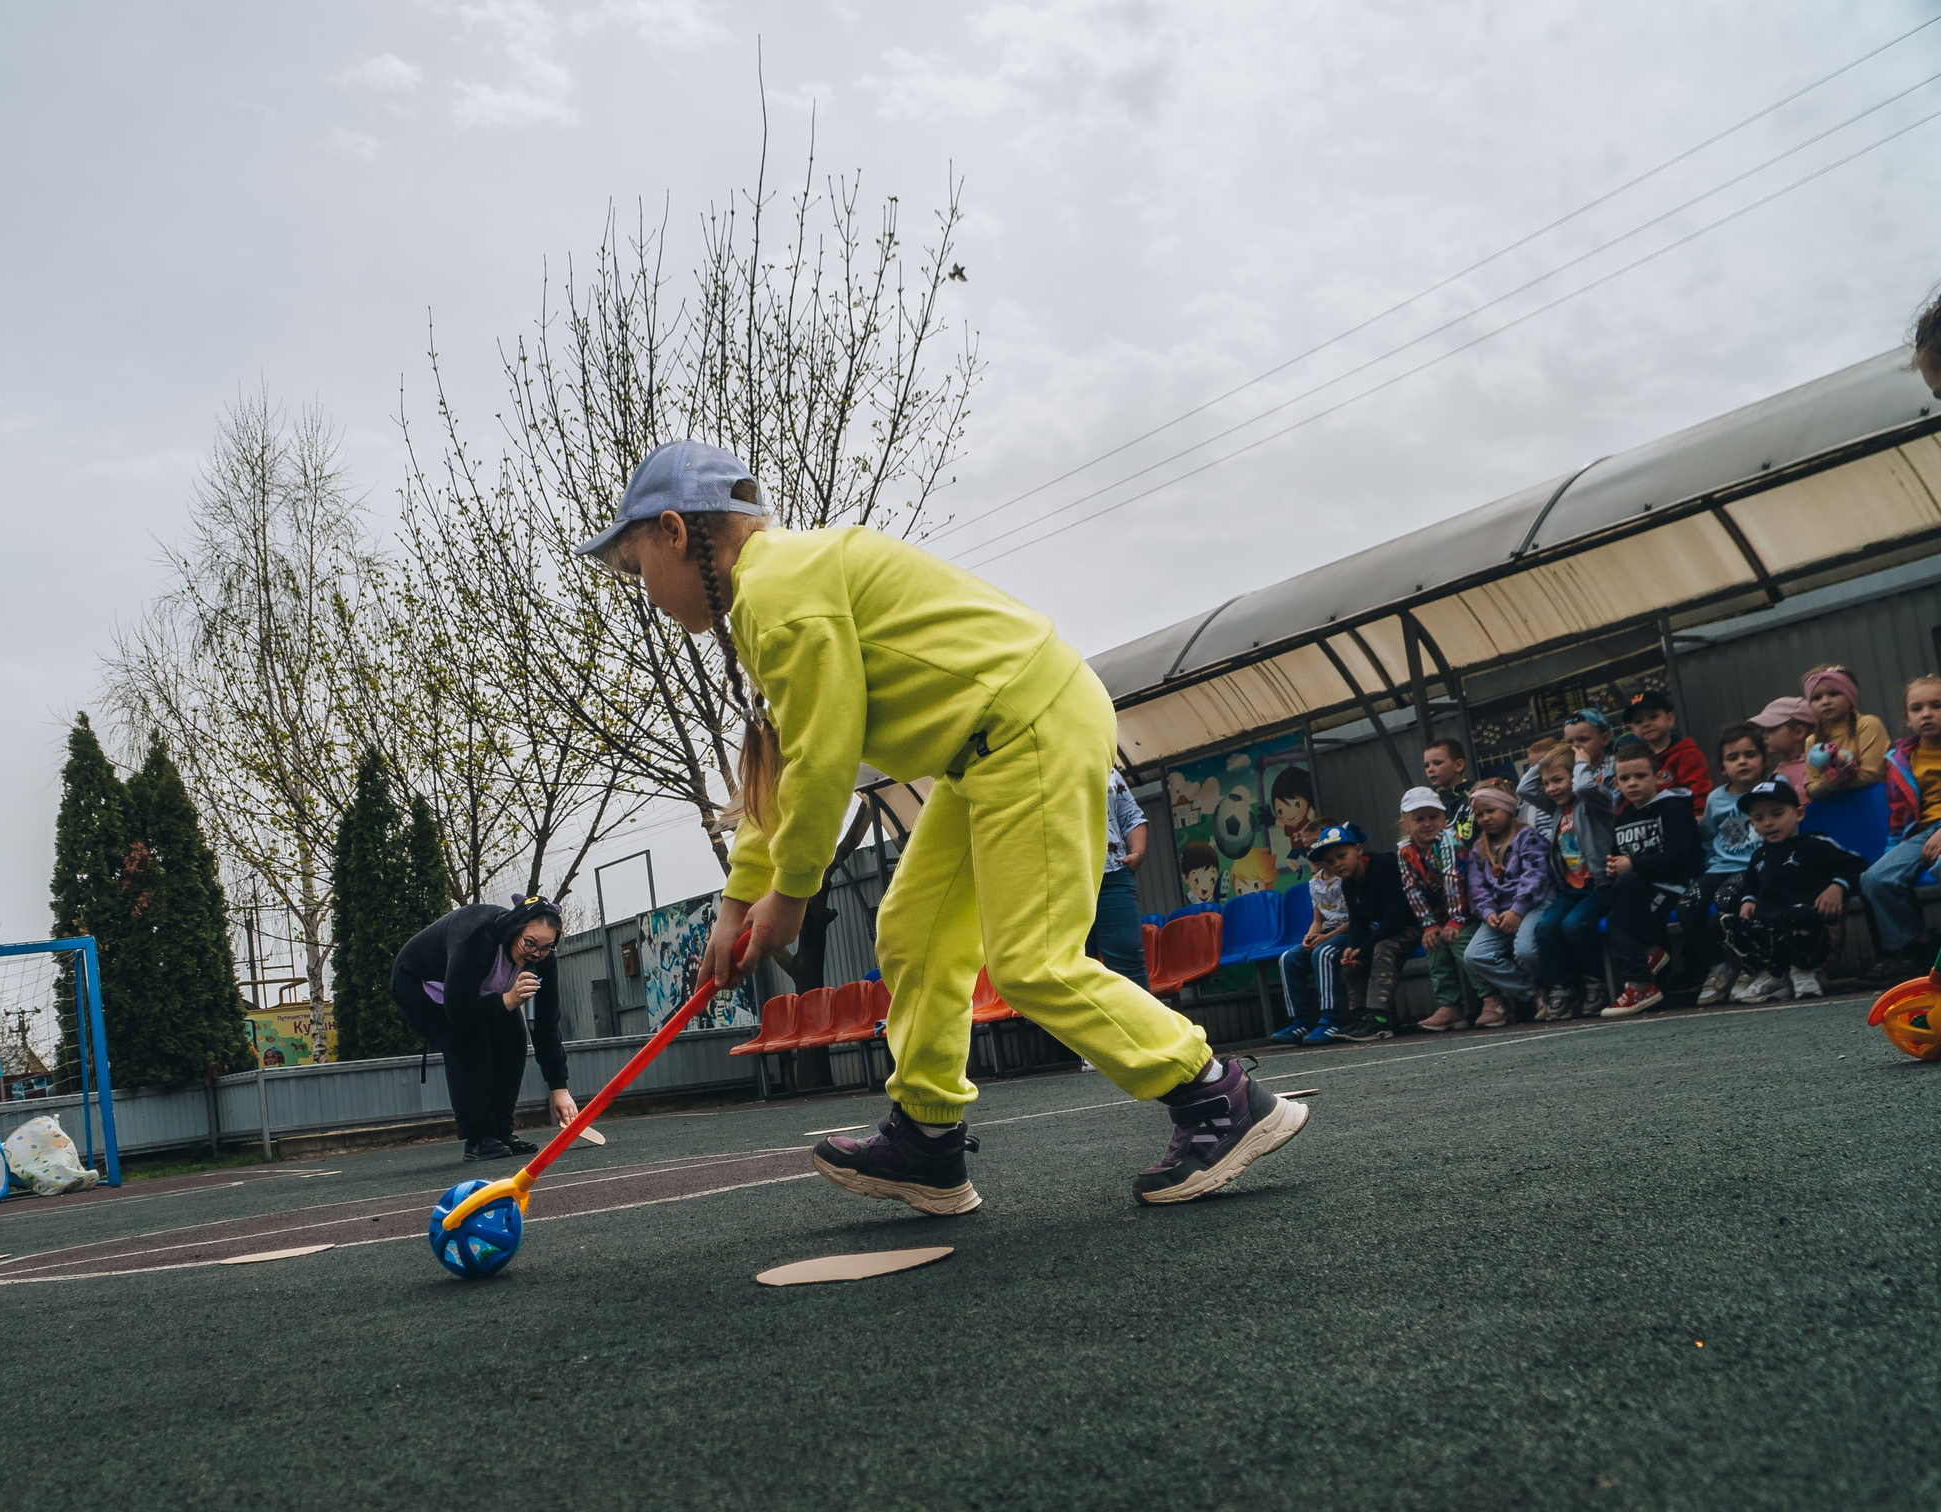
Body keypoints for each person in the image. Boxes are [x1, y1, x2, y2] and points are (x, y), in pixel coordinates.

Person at [580, 440, 1309, 1212]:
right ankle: (927, 1141)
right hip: (987, 748)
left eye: (635, 570)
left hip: (1027, 723)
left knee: (1033, 961)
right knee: (915, 930)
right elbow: (791, 764)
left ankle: (1216, 1097)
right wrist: (736, 902)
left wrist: (788, 895)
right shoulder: (777, 587)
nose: (645, 592)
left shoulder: (776, 592)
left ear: (673, 532)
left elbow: (824, 759)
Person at [390, 896, 579, 1163]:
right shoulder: (478, 939)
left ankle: (501, 1134)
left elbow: (547, 1025)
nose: (535, 953)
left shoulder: (544, 960)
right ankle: (478, 1138)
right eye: (530, 943)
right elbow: (459, 1012)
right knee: (468, 1039)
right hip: (421, 986)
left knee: (514, 1037)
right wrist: (508, 1000)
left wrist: (559, 1089)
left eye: (547, 947)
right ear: (515, 928)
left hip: (479, 994)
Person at [1720, 776, 1868, 1003]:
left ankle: (1803, 973)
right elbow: (1751, 883)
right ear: (1751, 823)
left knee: (1800, 914)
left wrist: (1837, 886)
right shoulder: (1759, 855)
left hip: (1808, 933)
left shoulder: (1815, 844)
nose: (1768, 823)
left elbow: (1857, 864)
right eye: (1759, 818)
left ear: (1799, 814)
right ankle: (1774, 975)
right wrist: (1748, 900)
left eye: (1776, 814)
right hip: (1771, 931)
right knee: (1726, 922)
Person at [1597, 739, 1700, 1017]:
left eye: (1640, 776)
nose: (1632, 783)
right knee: (1618, 907)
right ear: (1616, 783)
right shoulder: (1623, 817)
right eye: (1625, 778)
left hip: (1672, 886)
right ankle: (1647, 964)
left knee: (1621, 915)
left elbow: (1679, 858)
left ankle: (1642, 982)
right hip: (1639, 888)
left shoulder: (1674, 808)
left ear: (1657, 777)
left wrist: (1632, 864)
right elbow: (1620, 856)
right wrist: (1614, 866)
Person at [1519, 743, 1616, 1020]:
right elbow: (1524, 789)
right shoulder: (1558, 808)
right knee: (1546, 928)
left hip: (1599, 887)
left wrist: (1581, 759)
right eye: (1547, 783)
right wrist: (1549, 761)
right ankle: (1562, 986)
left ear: (1576, 776)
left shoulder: (1597, 802)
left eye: (1558, 780)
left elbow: (1585, 788)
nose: (1550, 789)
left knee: (1575, 925)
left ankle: (1596, 980)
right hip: (1571, 889)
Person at [1860, 673, 1941, 973]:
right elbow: (1899, 814)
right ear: (1907, 718)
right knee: (1875, 879)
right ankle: (1920, 943)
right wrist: (1894, 851)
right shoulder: (1900, 759)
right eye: (1917, 708)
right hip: (1921, 833)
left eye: (1937, 705)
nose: (1927, 714)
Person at [1458, 783, 1552, 1026]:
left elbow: (1537, 876)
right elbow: (1477, 888)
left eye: (1491, 811)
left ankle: (1557, 986)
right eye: (1479, 814)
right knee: (1475, 955)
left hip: (1534, 905)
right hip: (1500, 913)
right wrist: (1488, 913)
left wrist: (1517, 910)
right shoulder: (1479, 849)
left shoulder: (1528, 837)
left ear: (1508, 808)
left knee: (1526, 950)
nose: (1485, 818)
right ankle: (1532, 993)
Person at [1691, 722, 1770, 1005]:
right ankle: (1719, 968)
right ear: (1722, 767)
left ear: (1763, 759)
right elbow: (1709, 836)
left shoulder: (1774, 788)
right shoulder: (1716, 798)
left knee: (1727, 902)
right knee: (1688, 905)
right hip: (1721, 867)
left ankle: (1750, 966)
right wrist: (1712, 863)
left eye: (1750, 754)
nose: (1742, 762)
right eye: (1733, 758)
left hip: (1754, 867)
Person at [1321, 825, 1416, 1040]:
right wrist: (1353, 949)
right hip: (1389, 927)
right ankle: (1360, 1017)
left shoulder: (1384, 868)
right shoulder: (1348, 883)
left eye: (1341, 856)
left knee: (1382, 948)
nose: (1336, 863)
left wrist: (1363, 950)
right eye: (1330, 861)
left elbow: (1396, 918)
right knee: (1350, 958)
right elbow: (1358, 923)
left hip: (1414, 923)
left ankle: (1379, 1020)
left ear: (1359, 850)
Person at [1269, 823, 1357, 1046]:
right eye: (1308, 848)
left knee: (1323, 952)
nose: (1312, 853)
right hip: (1328, 932)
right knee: (1288, 957)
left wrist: (1324, 939)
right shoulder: (1315, 882)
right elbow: (1318, 920)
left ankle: (1330, 1019)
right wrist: (1309, 937)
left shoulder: (1347, 875)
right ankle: (1300, 1021)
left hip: (1350, 931)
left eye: (1317, 845)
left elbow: (1357, 918)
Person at [1396, 785, 1474, 1032]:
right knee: (1434, 945)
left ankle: (1494, 999)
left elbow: (1454, 879)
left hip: (1470, 910)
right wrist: (1429, 925)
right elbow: (1412, 889)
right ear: (1406, 824)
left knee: (1462, 944)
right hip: (1442, 917)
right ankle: (1450, 1006)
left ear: (1443, 819)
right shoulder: (1404, 850)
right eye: (1419, 819)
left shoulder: (1449, 840)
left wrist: (1456, 919)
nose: (1428, 823)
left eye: (1434, 817)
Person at [1089, 767, 1151, 988]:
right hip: (1061, 884)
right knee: (1074, 969)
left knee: (1128, 966)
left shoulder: (1107, 766)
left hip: (1113, 875)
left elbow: (1131, 814)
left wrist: (1137, 852)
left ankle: (1142, 1024)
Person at [1801, 666, 1888, 799]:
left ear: (1850, 696)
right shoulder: (1811, 741)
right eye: (1817, 698)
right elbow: (1811, 788)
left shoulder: (1868, 724)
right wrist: (1830, 783)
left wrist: (1831, 784)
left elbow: (1872, 773)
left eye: (1834, 694)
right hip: (1837, 812)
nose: (1825, 702)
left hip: (1874, 803)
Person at [1625, 688, 1713, 811]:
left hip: (1683, 820)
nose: (1646, 724)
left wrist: (1697, 814)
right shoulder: (1637, 759)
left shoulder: (1686, 753)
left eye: (1653, 717)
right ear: (1633, 728)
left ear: (1670, 719)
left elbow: (1698, 788)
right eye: (1638, 721)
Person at [1752, 696, 1817, 795]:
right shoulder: (1777, 773)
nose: (1764, 736)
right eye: (1763, 731)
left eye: (1771, 730)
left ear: (1799, 732)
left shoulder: (1818, 766)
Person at [1423, 737, 1475, 844]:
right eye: (1426, 765)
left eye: (1437, 763)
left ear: (1459, 765)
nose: (1430, 769)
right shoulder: (1430, 801)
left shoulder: (1476, 793)